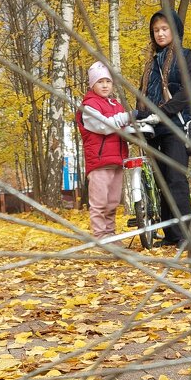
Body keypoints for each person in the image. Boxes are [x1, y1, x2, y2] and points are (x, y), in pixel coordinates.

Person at [136, 9, 191, 248]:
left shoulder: (187, 57)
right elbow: (143, 95)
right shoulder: (150, 64)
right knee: (160, 180)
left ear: (175, 30)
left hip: (175, 124)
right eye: (156, 30)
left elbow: (187, 94)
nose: (160, 34)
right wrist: (140, 118)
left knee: (175, 178)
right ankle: (171, 235)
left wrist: (162, 112)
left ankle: (185, 234)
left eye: (165, 29)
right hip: (152, 128)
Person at [77, 61, 132, 244]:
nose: (105, 85)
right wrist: (127, 117)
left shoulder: (116, 104)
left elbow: (125, 126)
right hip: (99, 162)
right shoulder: (89, 106)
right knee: (99, 203)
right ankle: (100, 237)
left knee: (113, 202)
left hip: (117, 160)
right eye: (100, 82)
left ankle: (110, 234)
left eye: (108, 81)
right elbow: (103, 126)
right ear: (92, 84)